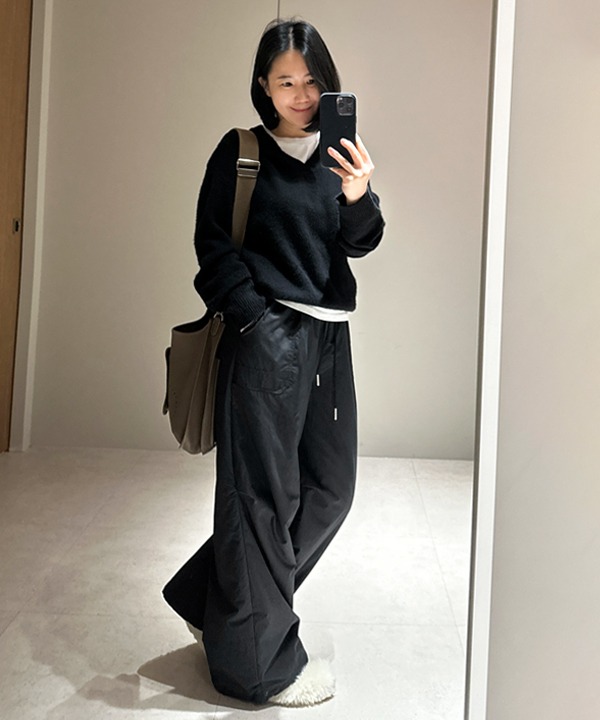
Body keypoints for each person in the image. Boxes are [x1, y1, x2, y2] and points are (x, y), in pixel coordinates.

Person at [163, 18, 385, 707]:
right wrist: (254, 320)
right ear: (263, 85)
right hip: (267, 338)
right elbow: (211, 246)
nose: (301, 94)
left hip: (329, 340)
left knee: (329, 488)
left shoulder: (340, 156)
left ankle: (207, 597)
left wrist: (359, 194)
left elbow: (363, 242)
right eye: (286, 81)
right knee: (262, 498)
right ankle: (258, 667)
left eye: (312, 80)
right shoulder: (241, 152)